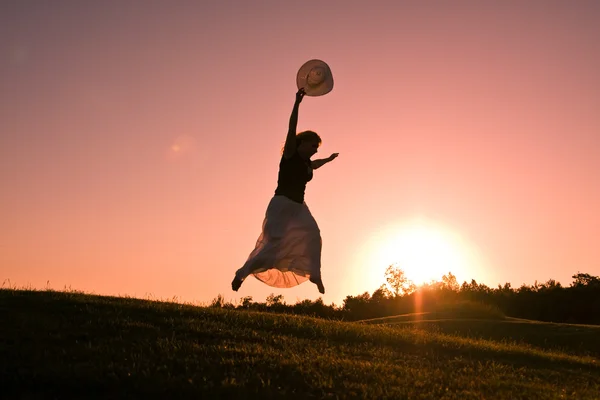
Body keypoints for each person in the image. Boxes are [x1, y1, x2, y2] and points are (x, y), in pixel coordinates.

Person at [231, 88, 338, 294]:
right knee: (273, 245)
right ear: (302, 142)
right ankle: (241, 274)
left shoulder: (307, 162)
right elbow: (291, 128)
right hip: (281, 204)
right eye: (314, 145)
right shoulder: (290, 153)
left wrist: (328, 159)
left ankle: (315, 274)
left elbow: (315, 164)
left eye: (318, 147)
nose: (316, 149)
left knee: (313, 234)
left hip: (299, 207)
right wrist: (297, 104)